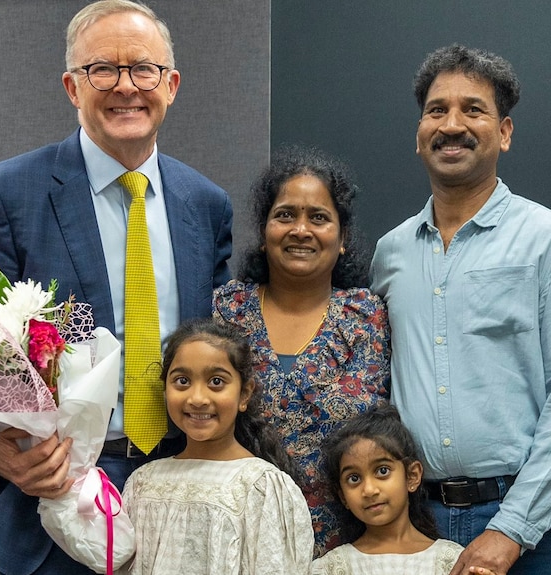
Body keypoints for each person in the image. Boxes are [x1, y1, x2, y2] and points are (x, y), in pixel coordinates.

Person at [0, 2, 233, 574]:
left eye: (143, 70)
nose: (125, 87)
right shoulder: (9, 194)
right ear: (72, 87)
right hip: (54, 502)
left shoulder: (206, 205)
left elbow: (220, 351)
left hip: (180, 498)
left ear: (171, 85)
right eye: (102, 69)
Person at [369, 44, 551, 575]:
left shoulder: (550, 241)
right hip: (412, 524)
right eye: (436, 110)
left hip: (527, 526)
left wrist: (510, 531)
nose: (452, 124)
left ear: (504, 133)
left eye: (473, 109)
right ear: (419, 132)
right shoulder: (391, 254)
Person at [213, 145, 390, 555]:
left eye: (319, 217)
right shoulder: (226, 311)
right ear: (264, 231)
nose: (301, 229)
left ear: (342, 238)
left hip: (344, 545)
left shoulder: (367, 317)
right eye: (286, 215)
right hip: (238, 536)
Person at [117, 318, 314, 574]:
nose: (197, 398)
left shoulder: (262, 487)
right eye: (182, 381)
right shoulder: (141, 483)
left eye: (216, 382)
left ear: (244, 394)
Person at [311, 404, 497, 575]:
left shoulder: (451, 561)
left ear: (412, 476)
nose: (369, 490)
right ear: (343, 496)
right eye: (354, 478)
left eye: (382, 471)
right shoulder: (332, 567)